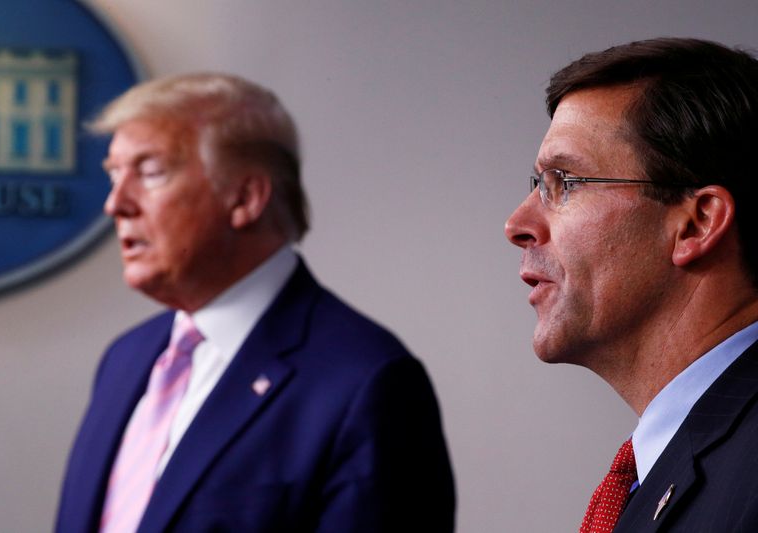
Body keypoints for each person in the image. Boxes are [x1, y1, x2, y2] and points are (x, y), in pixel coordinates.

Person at [55, 73, 454, 533]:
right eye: (114, 174)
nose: (116, 203)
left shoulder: (366, 382)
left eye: (149, 172)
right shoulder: (125, 359)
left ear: (244, 197)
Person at [505, 38, 758, 531]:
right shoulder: (677, 461)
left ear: (696, 224)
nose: (517, 223)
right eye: (538, 184)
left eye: (565, 182)